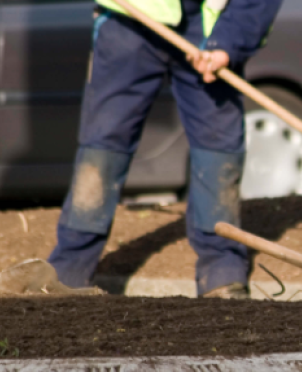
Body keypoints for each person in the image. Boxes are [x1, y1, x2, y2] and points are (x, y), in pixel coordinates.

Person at [47, 0, 283, 298]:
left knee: (218, 150)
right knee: (103, 147)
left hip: (209, 28)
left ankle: (222, 272)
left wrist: (229, 42)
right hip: (129, 17)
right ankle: (69, 270)